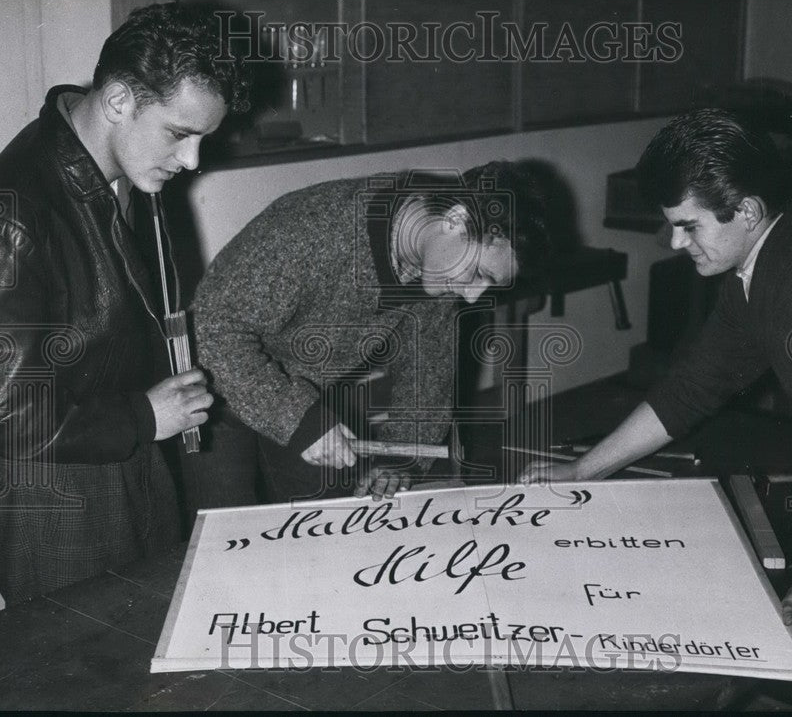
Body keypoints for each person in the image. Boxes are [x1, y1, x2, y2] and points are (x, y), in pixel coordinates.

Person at [521, 109, 792, 709]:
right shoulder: (758, 264)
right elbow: (691, 386)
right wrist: (586, 471)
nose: (674, 242)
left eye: (688, 226)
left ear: (745, 209)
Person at [0, 3, 248, 603]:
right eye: (180, 134)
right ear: (117, 103)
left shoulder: (131, 177)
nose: (192, 162)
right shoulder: (11, 212)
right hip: (45, 496)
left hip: (125, 457)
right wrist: (143, 417)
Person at [188, 162, 550, 509]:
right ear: (456, 219)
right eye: (479, 273)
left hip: (304, 385)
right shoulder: (317, 229)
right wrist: (300, 420)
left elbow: (426, 376)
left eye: (489, 285)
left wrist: (401, 461)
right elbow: (214, 330)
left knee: (329, 521)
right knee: (226, 528)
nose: (473, 296)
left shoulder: (439, 267)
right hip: (217, 380)